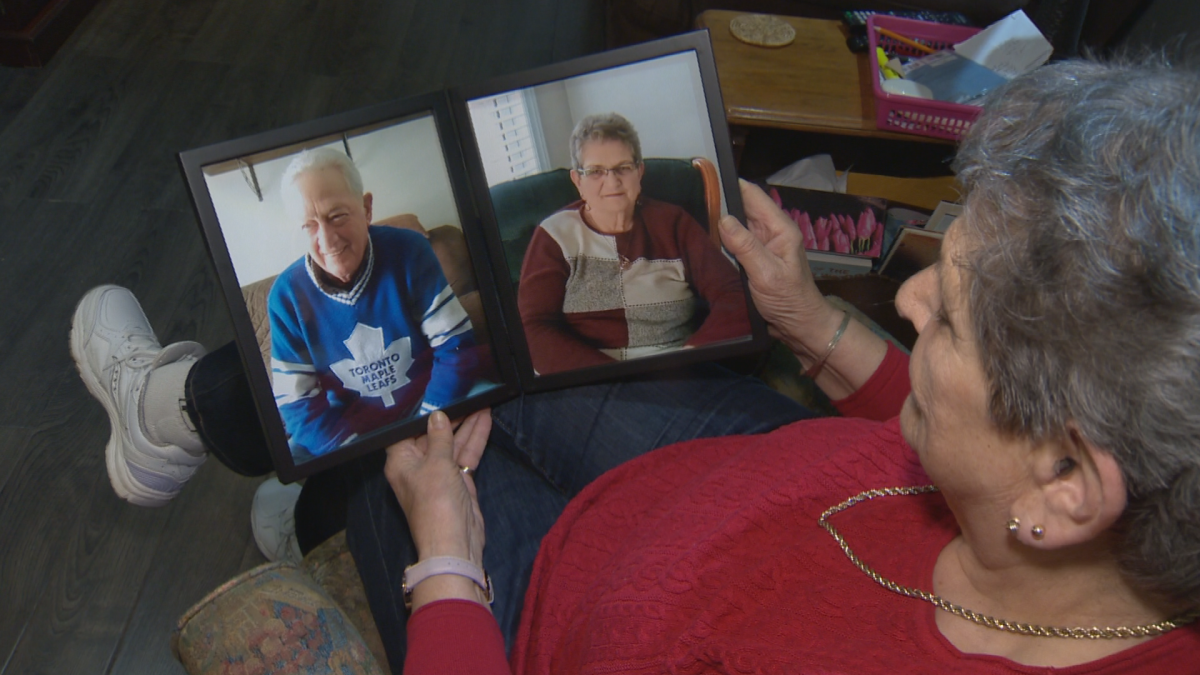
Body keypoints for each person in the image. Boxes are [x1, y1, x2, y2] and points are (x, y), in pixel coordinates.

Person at [368, 57, 1200, 673]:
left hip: (583, 612)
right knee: (468, 374)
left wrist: (445, 561)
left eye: (946, 319)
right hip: (733, 472)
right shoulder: (1066, 496)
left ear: (1066, 479)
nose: (905, 302)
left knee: (378, 475)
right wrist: (809, 324)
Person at [268, 148, 482, 458]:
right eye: (310, 226)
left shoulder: (409, 251)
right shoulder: (286, 297)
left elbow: (457, 348)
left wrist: (427, 429)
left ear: (366, 208)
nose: (327, 241)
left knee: (488, 408)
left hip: (430, 400)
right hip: (352, 428)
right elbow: (297, 404)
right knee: (296, 457)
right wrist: (360, 454)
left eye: (337, 216)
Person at [517, 112, 751, 375]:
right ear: (577, 180)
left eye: (623, 168)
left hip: (677, 373)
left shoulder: (673, 223)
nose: (612, 181)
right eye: (595, 172)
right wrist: (616, 379)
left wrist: (693, 355)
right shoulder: (554, 235)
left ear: (639, 172)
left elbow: (734, 293)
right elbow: (533, 328)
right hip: (591, 384)